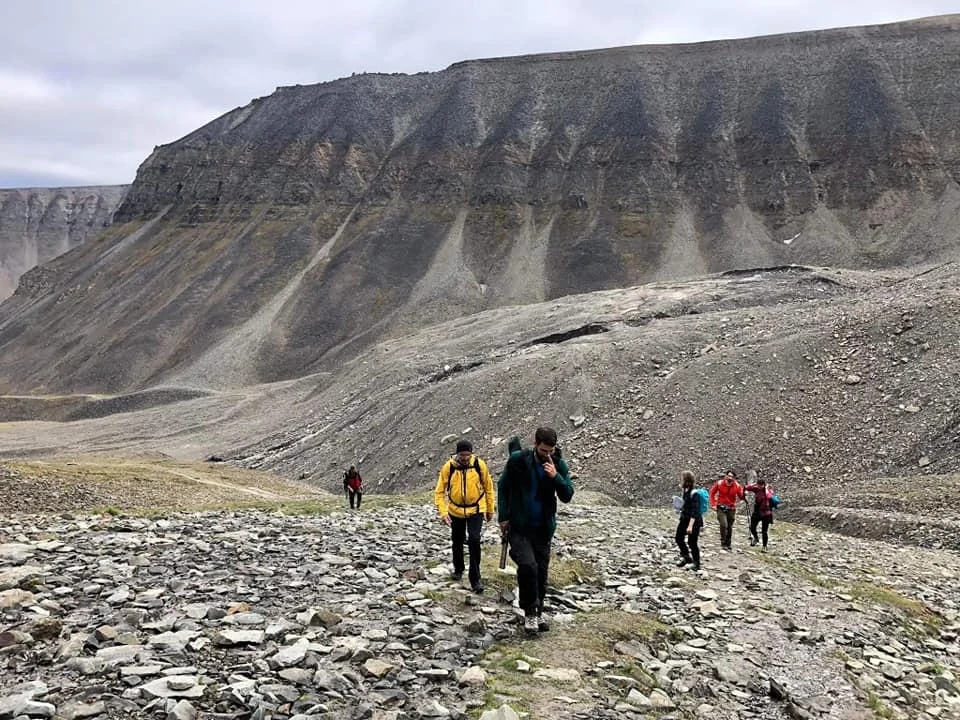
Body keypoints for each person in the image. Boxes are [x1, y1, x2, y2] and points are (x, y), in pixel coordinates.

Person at [497, 427, 574, 636]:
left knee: (541, 573)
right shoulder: (518, 461)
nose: (546, 455)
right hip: (519, 526)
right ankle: (529, 612)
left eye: (550, 451)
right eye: (543, 451)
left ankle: (538, 613)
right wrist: (503, 516)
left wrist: (556, 477)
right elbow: (503, 486)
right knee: (528, 566)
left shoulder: (557, 464)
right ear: (535, 444)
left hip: (543, 529)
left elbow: (567, 495)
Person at [434, 439, 495, 593]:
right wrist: (443, 512)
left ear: (471, 453)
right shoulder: (449, 467)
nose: (465, 458)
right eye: (462, 455)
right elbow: (440, 491)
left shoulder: (479, 465)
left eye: (467, 455)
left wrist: (490, 509)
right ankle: (458, 568)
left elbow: (488, 487)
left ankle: (475, 579)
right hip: (455, 510)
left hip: (476, 509)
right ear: (457, 454)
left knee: (474, 540)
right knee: (457, 540)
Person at [708, 470, 744, 551]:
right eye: (728, 476)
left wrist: (744, 494)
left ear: (734, 478)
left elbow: (741, 497)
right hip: (720, 507)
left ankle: (728, 543)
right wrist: (713, 504)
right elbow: (712, 492)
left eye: (732, 476)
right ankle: (723, 543)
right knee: (724, 525)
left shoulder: (737, 486)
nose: (730, 478)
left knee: (729, 527)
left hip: (731, 508)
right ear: (725, 476)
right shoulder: (720, 483)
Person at [675, 470, 703, 571]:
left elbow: (695, 511)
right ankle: (686, 557)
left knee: (692, 542)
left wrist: (690, 526)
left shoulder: (694, 494)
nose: (680, 480)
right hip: (684, 519)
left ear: (686, 481)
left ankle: (696, 563)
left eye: (682, 479)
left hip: (693, 522)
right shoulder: (685, 491)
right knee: (678, 538)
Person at [744, 470, 775, 551]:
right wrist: (751, 487)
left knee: (764, 531)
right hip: (757, 512)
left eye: (761, 485)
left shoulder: (768, 490)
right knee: (752, 527)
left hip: (766, 513)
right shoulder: (756, 488)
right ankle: (756, 538)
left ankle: (764, 547)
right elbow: (747, 487)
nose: (760, 487)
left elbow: (769, 496)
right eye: (759, 485)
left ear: (764, 485)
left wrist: (766, 489)